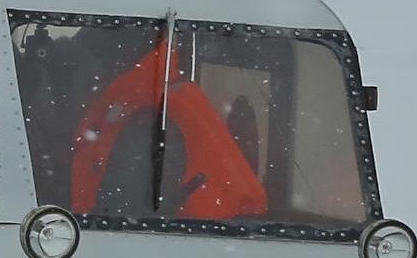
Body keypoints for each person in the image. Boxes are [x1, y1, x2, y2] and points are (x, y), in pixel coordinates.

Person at [66, 37, 270, 222]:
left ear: (113, 64)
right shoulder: (157, 100)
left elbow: (125, 223)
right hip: (208, 239)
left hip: (193, 244)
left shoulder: (147, 123)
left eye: (85, 72)